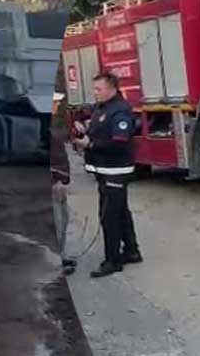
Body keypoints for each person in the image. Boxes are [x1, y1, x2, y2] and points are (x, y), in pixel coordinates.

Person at [72, 72, 142, 278]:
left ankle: (112, 260)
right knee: (121, 212)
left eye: (99, 89)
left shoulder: (120, 111)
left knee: (109, 216)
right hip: (104, 170)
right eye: (94, 89)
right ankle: (131, 250)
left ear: (112, 89)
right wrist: (84, 128)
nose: (95, 93)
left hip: (115, 170)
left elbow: (119, 141)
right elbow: (99, 128)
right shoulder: (101, 108)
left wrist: (90, 144)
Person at [50, 95, 76, 275]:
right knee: (57, 223)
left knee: (63, 220)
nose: (58, 104)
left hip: (59, 181)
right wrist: (56, 181)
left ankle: (60, 256)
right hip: (54, 183)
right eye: (55, 102)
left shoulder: (52, 124)